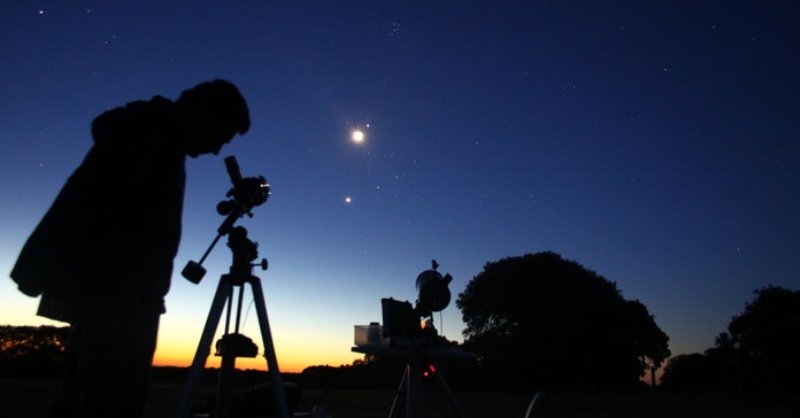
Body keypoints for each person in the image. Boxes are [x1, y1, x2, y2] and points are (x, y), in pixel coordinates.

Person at [9, 79, 250, 417]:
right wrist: (132, 293)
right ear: (202, 113)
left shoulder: (151, 137)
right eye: (220, 136)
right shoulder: (149, 141)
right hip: (119, 299)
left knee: (78, 399)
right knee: (111, 404)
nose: (215, 150)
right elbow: (97, 210)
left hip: (112, 295)